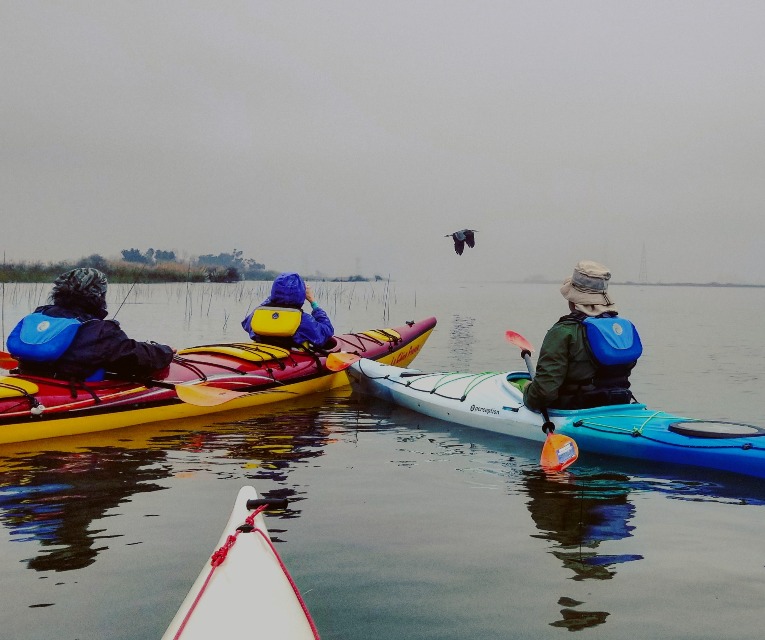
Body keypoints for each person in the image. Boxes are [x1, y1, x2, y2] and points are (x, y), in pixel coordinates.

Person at [8, 267, 175, 381]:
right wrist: (165, 351)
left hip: (33, 380)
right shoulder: (98, 331)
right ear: (97, 296)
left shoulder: (40, 315)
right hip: (69, 391)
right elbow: (133, 357)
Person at [522, 260, 642, 411]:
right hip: (618, 404)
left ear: (573, 299)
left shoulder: (563, 332)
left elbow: (543, 393)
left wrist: (527, 392)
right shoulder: (622, 329)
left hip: (574, 410)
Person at [241, 272, 335, 349]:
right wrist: (314, 303)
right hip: (290, 361)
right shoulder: (302, 320)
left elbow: (245, 324)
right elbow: (326, 332)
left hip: (263, 355)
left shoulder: (257, 314)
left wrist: (273, 299)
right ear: (301, 294)